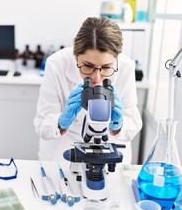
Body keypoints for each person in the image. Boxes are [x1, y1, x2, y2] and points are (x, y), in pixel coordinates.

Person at [33, 17, 142, 163]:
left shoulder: (126, 67)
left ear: (116, 59)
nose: (97, 77)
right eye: (88, 66)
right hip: (64, 150)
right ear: (75, 56)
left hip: (108, 148)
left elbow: (133, 124)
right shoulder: (56, 64)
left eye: (106, 67)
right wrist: (62, 121)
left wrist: (118, 125)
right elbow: (42, 126)